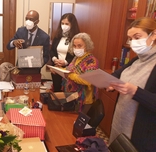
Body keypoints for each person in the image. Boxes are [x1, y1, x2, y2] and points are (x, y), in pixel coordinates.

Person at [107, 17, 156, 152]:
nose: (133, 42)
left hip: (142, 132)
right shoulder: (136, 59)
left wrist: (135, 91)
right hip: (121, 122)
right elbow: (117, 74)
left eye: (137, 37)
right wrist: (111, 83)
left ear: (153, 35)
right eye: (131, 38)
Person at [65, 33, 99, 113]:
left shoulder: (92, 61)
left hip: (84, 100)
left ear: (87, 46)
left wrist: (70, 75)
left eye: (79, 46)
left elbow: (88, 80)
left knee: (74, 122)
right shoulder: (76, 58)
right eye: (74, 46)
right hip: (72, 96)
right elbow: (70, 69)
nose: (76, 48)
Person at [49, 13, 80, 92]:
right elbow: (52, 50)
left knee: (67, 95)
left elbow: (77, 55)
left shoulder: (77, 38)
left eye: (67, 24)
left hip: (69, 71)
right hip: (56, 69)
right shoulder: (58, 36)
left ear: (72, 25)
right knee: (57, 92)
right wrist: (54, 59)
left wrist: (65, 62)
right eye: (62, 23)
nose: (64, 26)